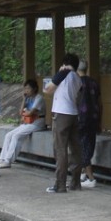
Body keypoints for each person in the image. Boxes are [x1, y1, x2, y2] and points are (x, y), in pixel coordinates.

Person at [43, 52, 82, 193]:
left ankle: (60, 184)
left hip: (61, 114)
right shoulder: (77, 77)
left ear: (65, 63)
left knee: (60, 149)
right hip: (74, 114)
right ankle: (75, 183)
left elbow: (48, 89)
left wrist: (59, 73)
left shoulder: (64, 73)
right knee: (75, 149)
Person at [0, 79, 46, 169]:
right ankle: (2, 158)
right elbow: (20, 112)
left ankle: (8, 160)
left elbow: (30, 113)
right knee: (8, 135)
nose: (26, 91)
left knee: (16, 136)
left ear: (34, 89)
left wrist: (26, 113)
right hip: (28, 123)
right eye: (25, 89)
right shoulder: (28, 98)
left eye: (28, 89)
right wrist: (24, 99)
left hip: (37, 123)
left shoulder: (39, 98)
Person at [77, 60, 102, 188]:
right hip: (94, 117)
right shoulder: (94, 82)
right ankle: (83, 174)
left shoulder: (77, 83)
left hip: (81, 118)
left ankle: (91, 178)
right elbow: (99, 101)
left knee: (81, 147)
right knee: (89, 145)